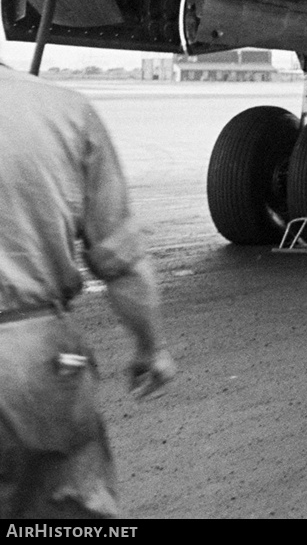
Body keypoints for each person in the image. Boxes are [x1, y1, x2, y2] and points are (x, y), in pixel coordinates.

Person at [0, 61, 176, 518]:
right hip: (33, 359)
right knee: (66, 512)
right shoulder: (66, 111)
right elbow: (121, 261)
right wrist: (150, 347)